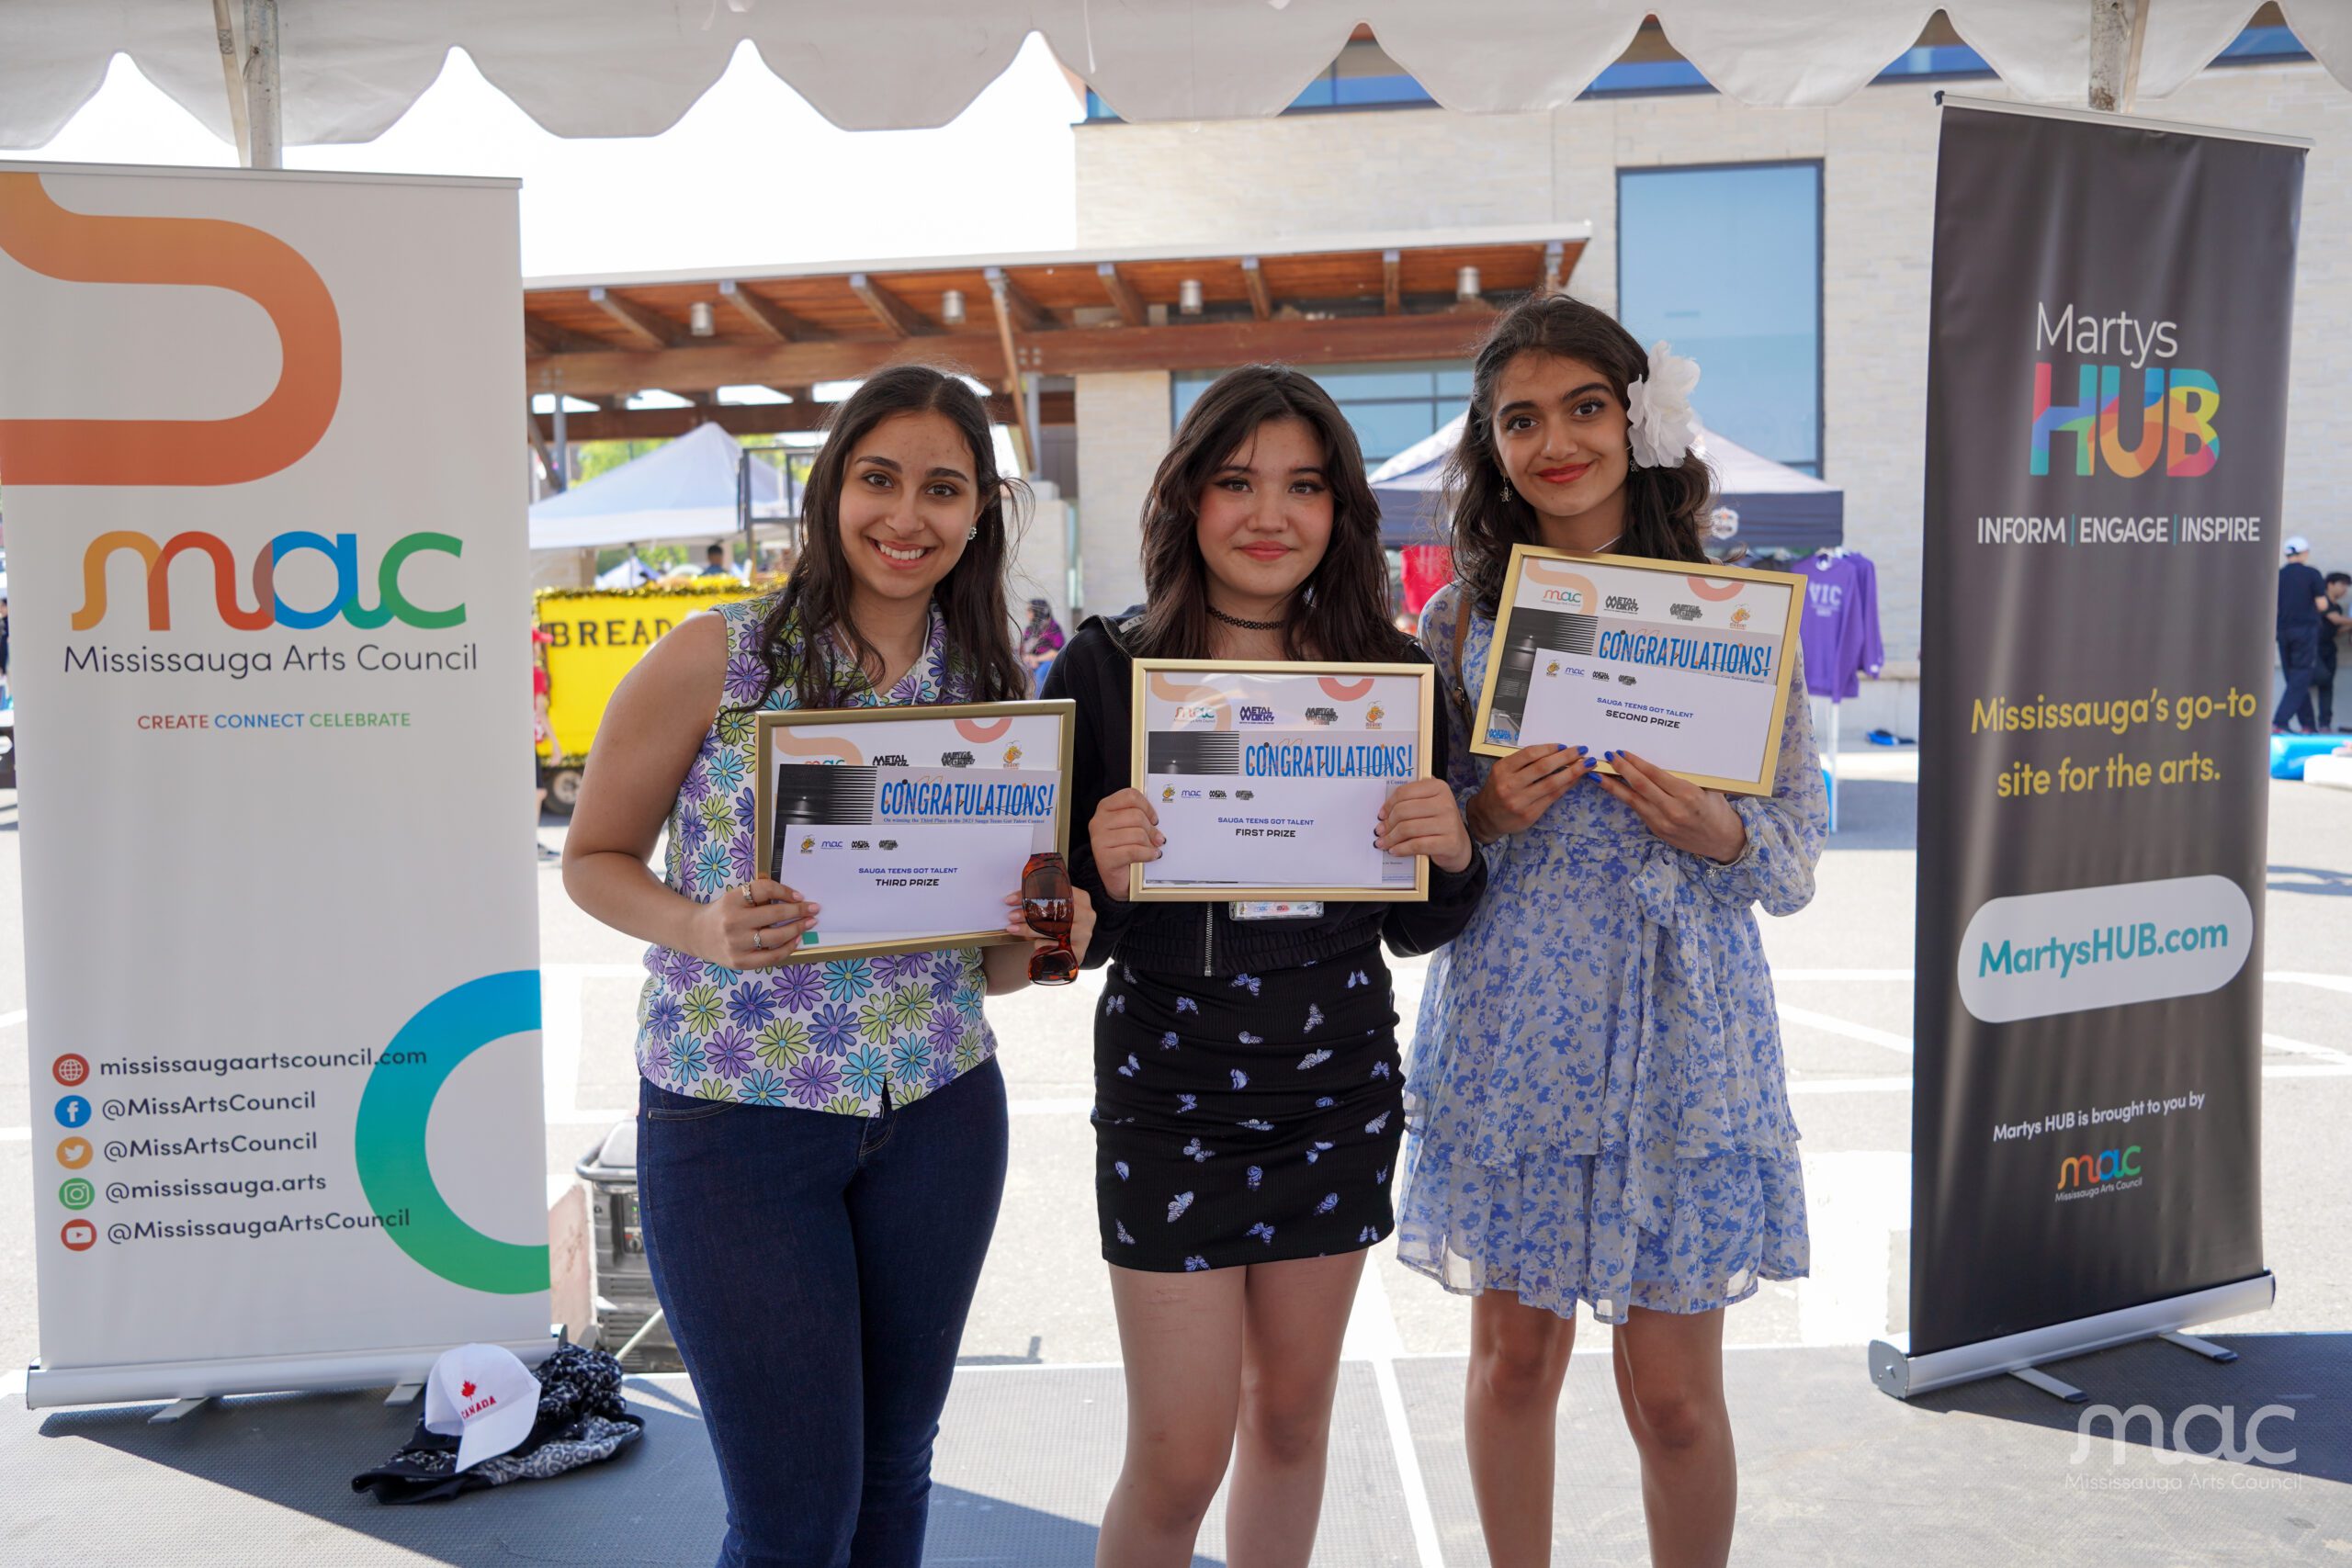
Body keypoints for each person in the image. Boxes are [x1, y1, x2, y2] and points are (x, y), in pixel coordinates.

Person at [561, 365, 1095, 1568]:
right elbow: (592, 858)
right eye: (879, 478)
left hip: (940, 1111)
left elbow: (997, 963)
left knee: (896, 1472)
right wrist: (698, 923)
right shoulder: (720, 657)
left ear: (978, 515)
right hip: (734, 1128)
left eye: (943, 489)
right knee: (794, 1519)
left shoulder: (995, 695)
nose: (907, 515)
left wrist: (1056, 935)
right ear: (831, 487)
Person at [1399, 294, 1824, 1568]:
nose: (1555, 440)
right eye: (1520, 418)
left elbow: (1797, 852)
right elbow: (1430, 851)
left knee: (1678, 1396)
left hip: (1685, 1030)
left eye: (1585, 405)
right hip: (1521, 1021)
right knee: (1514, 1356)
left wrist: (1722, 833)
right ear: (1492, 445)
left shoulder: (1744, 610)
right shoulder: (1458, 627)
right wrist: (1482, 810)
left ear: (1637, 419)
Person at [1045, 366, 1485, 1568]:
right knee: (1181, 1452)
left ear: (1341, 509)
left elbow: (1422, 927)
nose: (1268, 513)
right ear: (1188, 498)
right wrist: (1094, 873)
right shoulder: (1100, 668)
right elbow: (1039, 943)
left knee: (1291, 1423)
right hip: (1166, 1097)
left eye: (1302, 485)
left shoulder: (1395, 681)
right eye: (1237, 481)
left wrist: (1450, 851)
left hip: (1337, 1091)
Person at [2276, 536, 2329, 735]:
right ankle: (2280, 721)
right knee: (2302, 674)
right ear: (2304, 553)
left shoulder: (2278, 575)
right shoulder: (2311, 574)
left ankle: (2307, 724)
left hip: (2282, 630)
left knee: (2294, 677)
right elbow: (2322, 604)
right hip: (2305, 630)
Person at [2320, 571, 2350, 733]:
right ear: (2330, 584)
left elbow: (2336, 629)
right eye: (2342, 585)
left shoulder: (2337, 607)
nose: (2345, 589)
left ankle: (2325, 724)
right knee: (2320, 677)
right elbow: (2335, 620)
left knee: (2327, 685)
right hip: (2314, 650)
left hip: (2329, 649)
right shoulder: (2322, 602)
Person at [1019, 596, 1067, 694]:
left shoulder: (1053, 627)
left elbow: (1056, 653)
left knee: (1041, 673)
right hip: (1031, 663)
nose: (1027, 613)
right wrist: (1029, 659)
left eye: (1029, 610)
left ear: (1038, 611)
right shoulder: (1030, 629)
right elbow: (1023, 651)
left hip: (1049, 662)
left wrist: (1036, 659)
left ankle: (1039, 705)